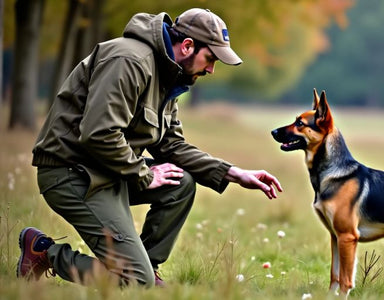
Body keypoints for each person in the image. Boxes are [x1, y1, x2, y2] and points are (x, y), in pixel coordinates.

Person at [17, 8, 283, 287]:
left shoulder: (169, 75)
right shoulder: (129, 60)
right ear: (188, 45)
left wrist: (233, 173)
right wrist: (144, 174)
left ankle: (146, 268)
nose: (211, 69)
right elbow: (99, 134)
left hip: (109, 171)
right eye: (211, 58)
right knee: (134, 280)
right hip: (72, 174)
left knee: (181, 183)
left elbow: (170, 144)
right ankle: (44, 253)